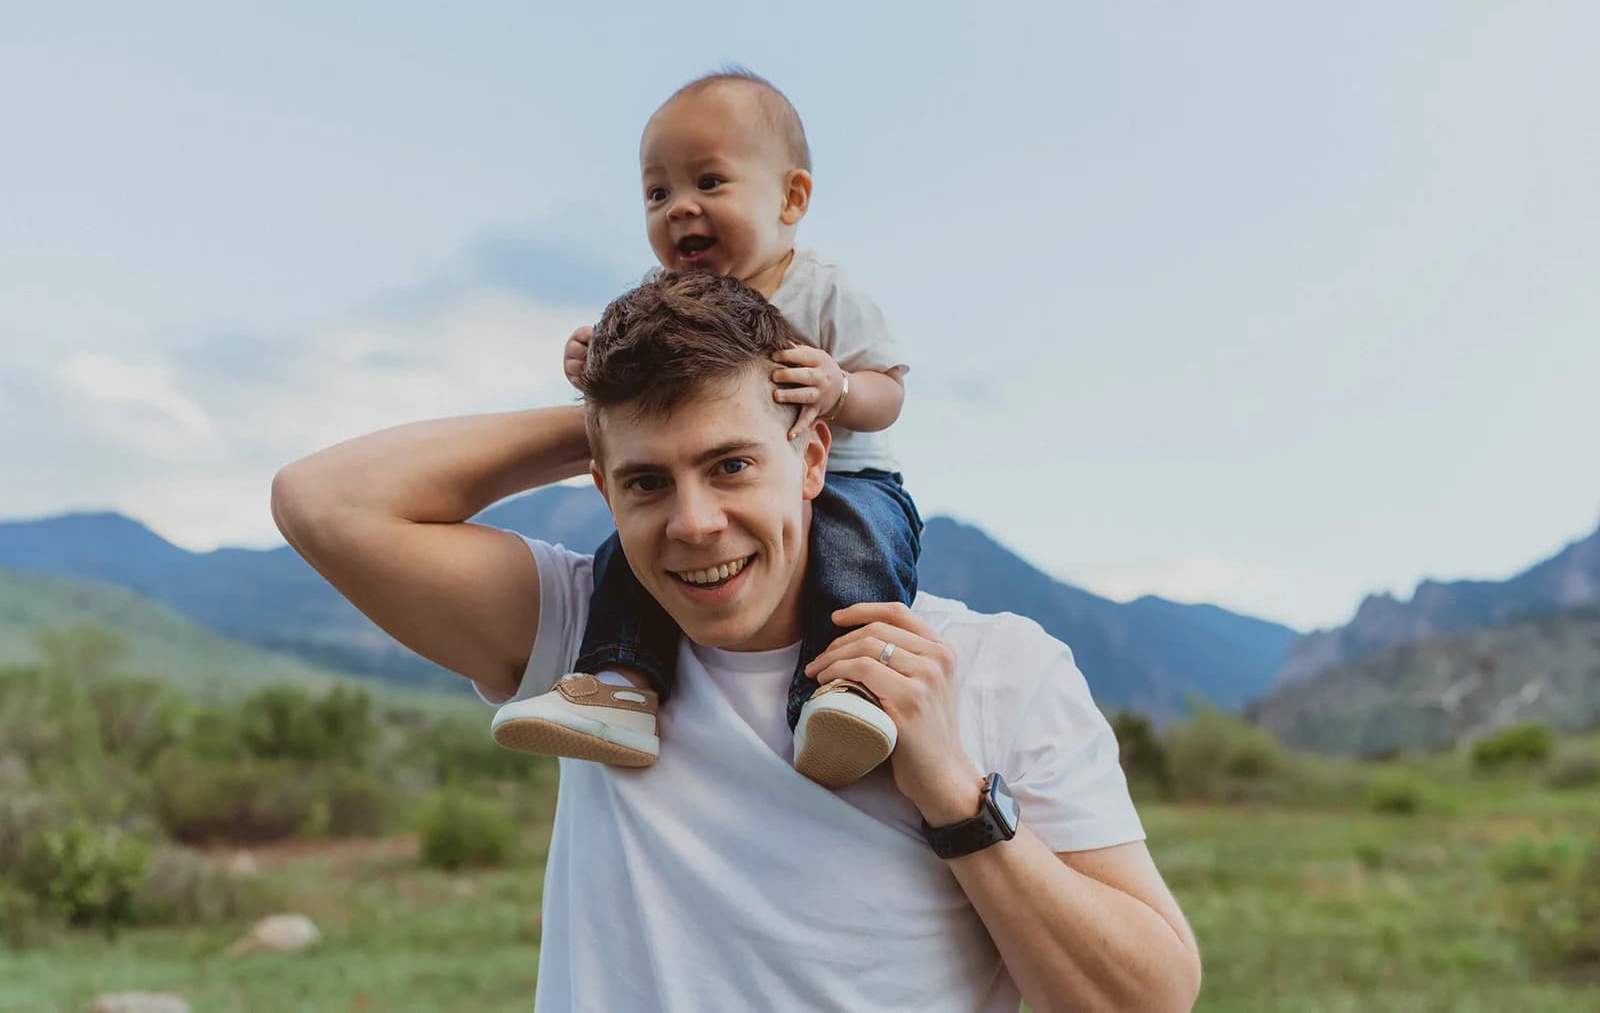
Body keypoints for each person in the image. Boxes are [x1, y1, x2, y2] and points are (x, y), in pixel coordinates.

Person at [270, 269, 1203, 1011]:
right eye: (645, 482)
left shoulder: (1000, 665)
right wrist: (608, 412)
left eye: (730, 463)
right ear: (604, 490)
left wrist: (954, 794)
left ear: (811, 456)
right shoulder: (584, 640)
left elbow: (1149, 997)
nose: (696, 522)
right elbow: (325, 502)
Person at [492, 68, 919, 789]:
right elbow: (639, 394)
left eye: (709, 183)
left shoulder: (823, 290)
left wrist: (840, 387)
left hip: (849, 476)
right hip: (749, 492)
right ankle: (621, 684)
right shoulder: (670, 302)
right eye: (658, 194)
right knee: (629, 554)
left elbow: (892, 391)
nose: (680, 208)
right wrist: (593, 366)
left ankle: (848, 690)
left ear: (792, 198)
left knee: (856, 548)